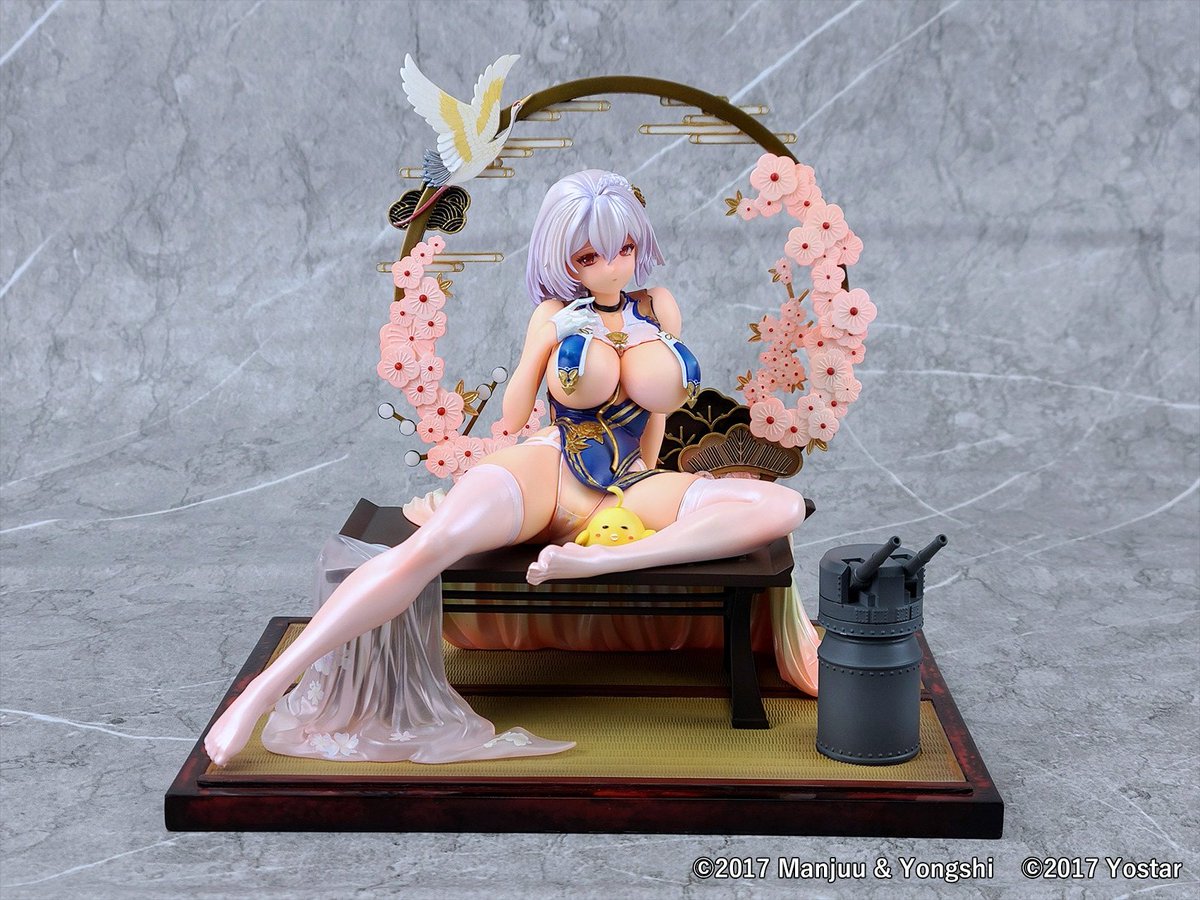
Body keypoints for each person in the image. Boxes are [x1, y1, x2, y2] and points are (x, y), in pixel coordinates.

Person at [204, 170, 808, 766]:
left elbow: (657, 415)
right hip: (550, 469)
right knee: (423, 552)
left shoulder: (657, 308)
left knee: (781, 507)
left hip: (629, 483)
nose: (613, 267)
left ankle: (604, 561)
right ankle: (261, 692)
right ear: (565, 260)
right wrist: (545, 344)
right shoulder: (553, 312)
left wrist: (643, 489)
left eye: (624, 249)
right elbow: (514, 415)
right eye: (590, 256)